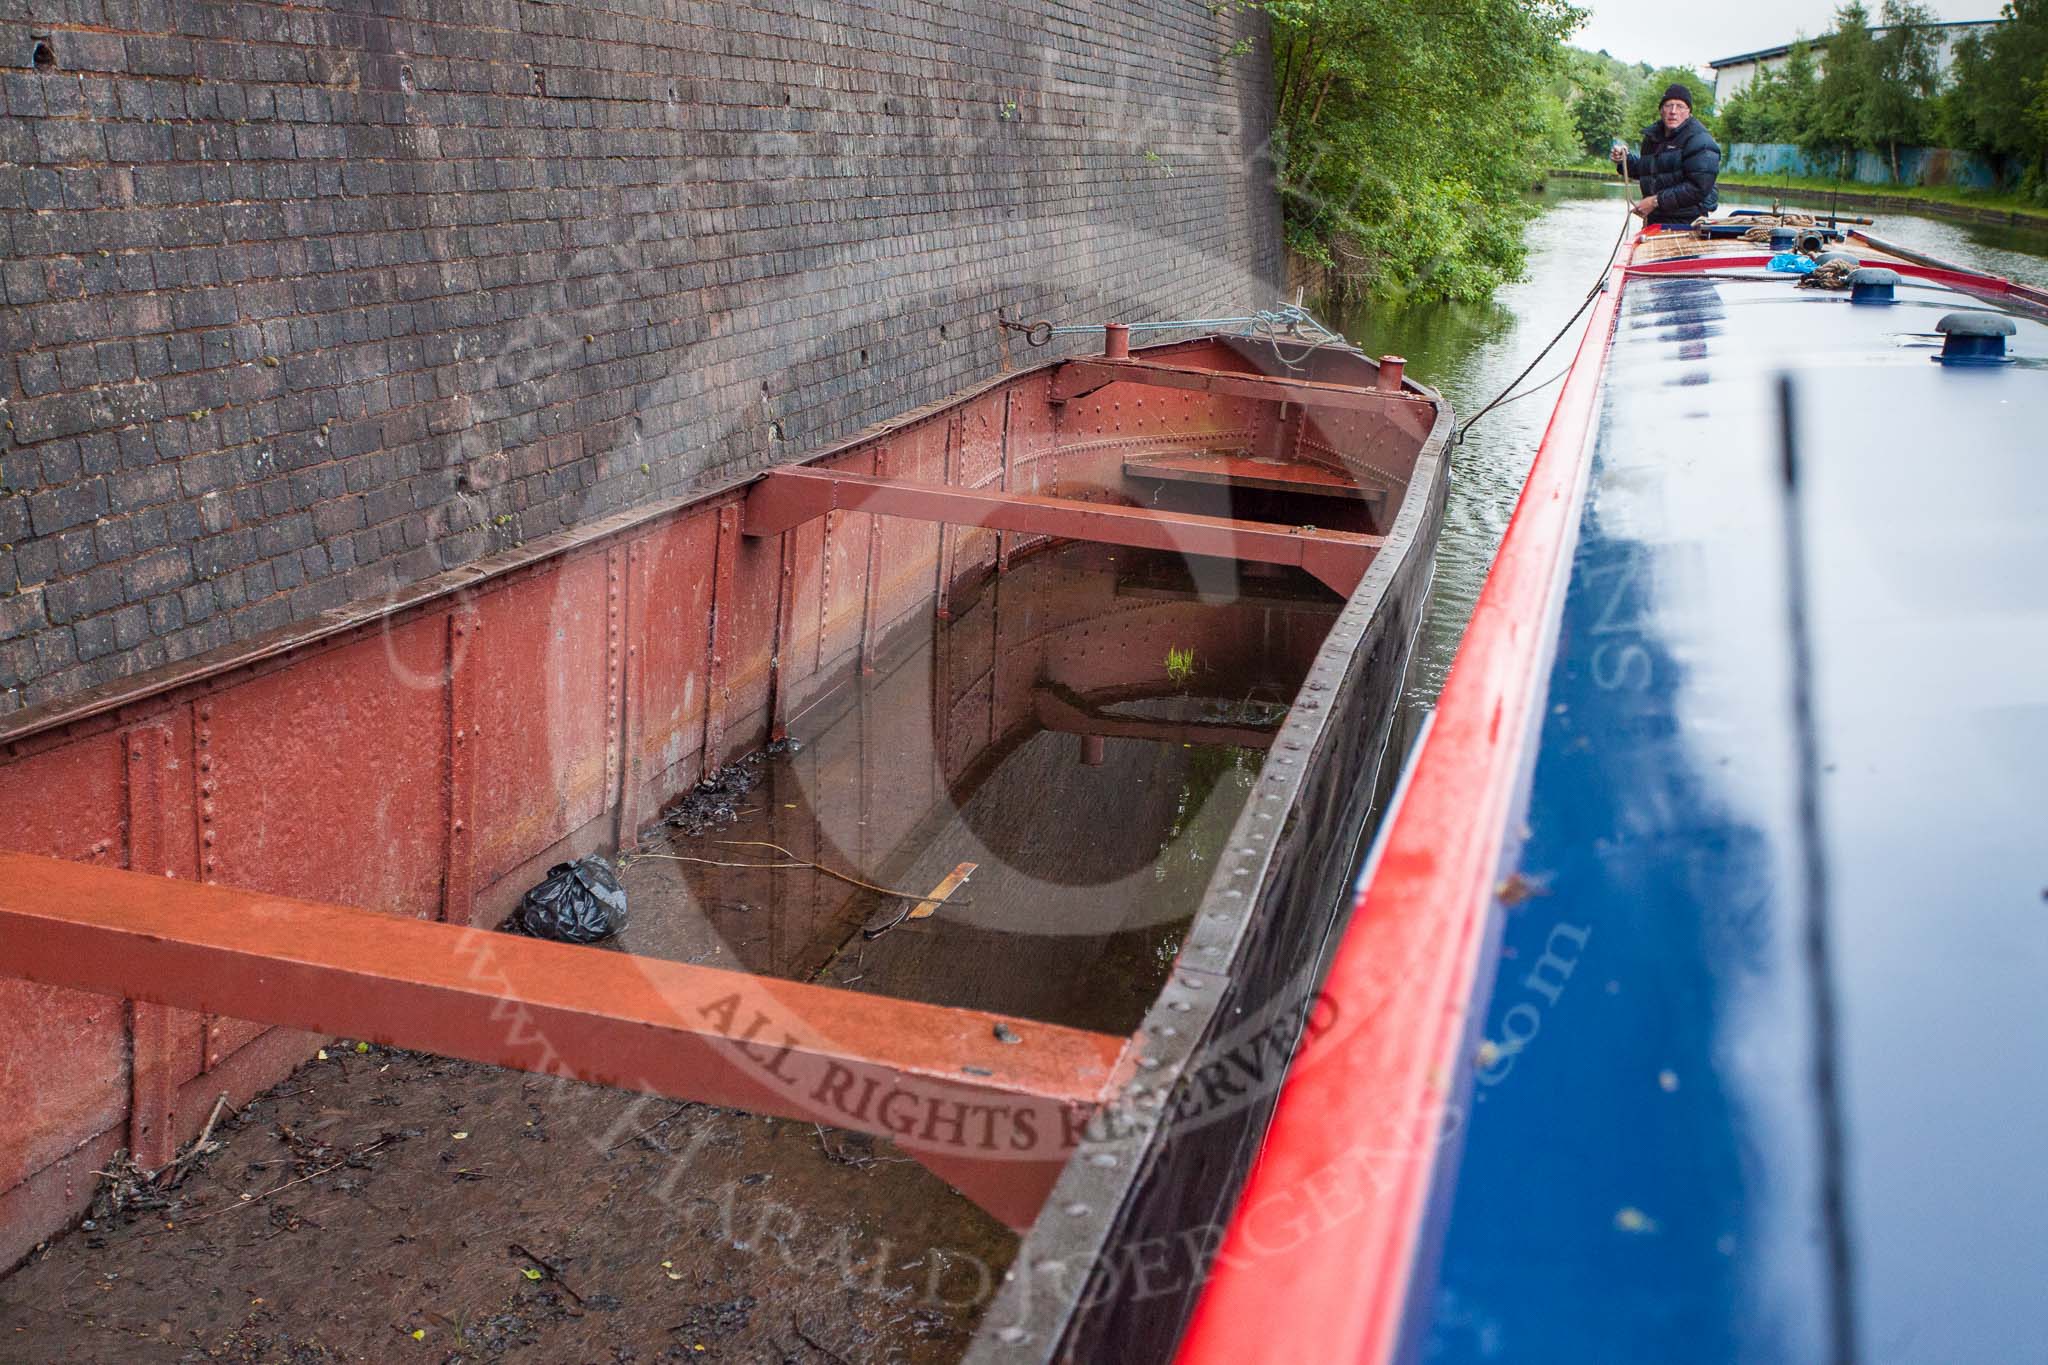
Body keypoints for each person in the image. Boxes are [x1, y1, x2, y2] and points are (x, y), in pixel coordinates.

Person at [1609, 83, 1720, 227]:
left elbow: (1698, 188)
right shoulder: (1653, 137)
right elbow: (1652, 172)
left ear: (1689, 112)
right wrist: (1625, 160)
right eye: (1668, 105)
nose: (1673, 111)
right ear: (1661, 110)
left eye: (1680, 106)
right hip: (1654, 222)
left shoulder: (1701, 141)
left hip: (1689, 225)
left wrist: (1655, 201)